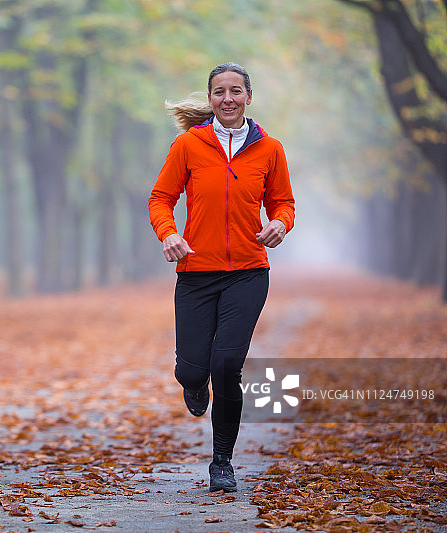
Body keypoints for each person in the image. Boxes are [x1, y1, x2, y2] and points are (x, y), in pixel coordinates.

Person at [148, 62, 295, 493]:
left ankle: (222, 463)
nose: (227, 99)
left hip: (248, 273)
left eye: (235, 91)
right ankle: (194, 386)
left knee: (226, 366)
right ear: (210, 98)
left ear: (248, 96)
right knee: (192, 371)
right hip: (196, 272)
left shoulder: (270, 149)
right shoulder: (188, 145)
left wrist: (280, 224)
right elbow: (161, 198)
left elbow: (283, 202)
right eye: (219, 92)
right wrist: (169, 234)